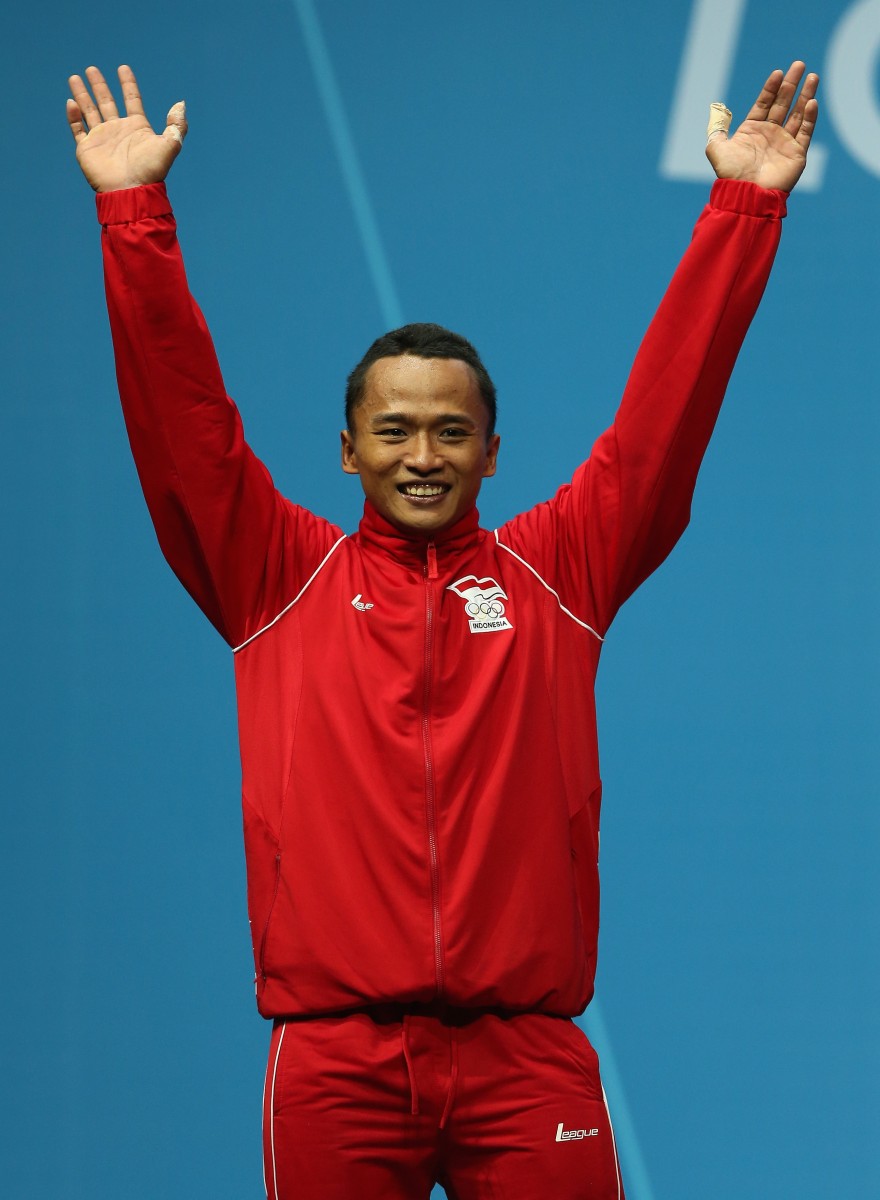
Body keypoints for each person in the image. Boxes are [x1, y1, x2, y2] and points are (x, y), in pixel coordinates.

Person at [66, 61, 818, 1200]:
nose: (424, 455)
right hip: (336, 1061)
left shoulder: (560, 571)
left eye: (452, 431)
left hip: (526, 1060)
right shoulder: (273, 577)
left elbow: (665, 420)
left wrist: (743, 208)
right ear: (348, 450)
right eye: (396, 430)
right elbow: (183, 424)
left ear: (492, 454)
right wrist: (133, 214)